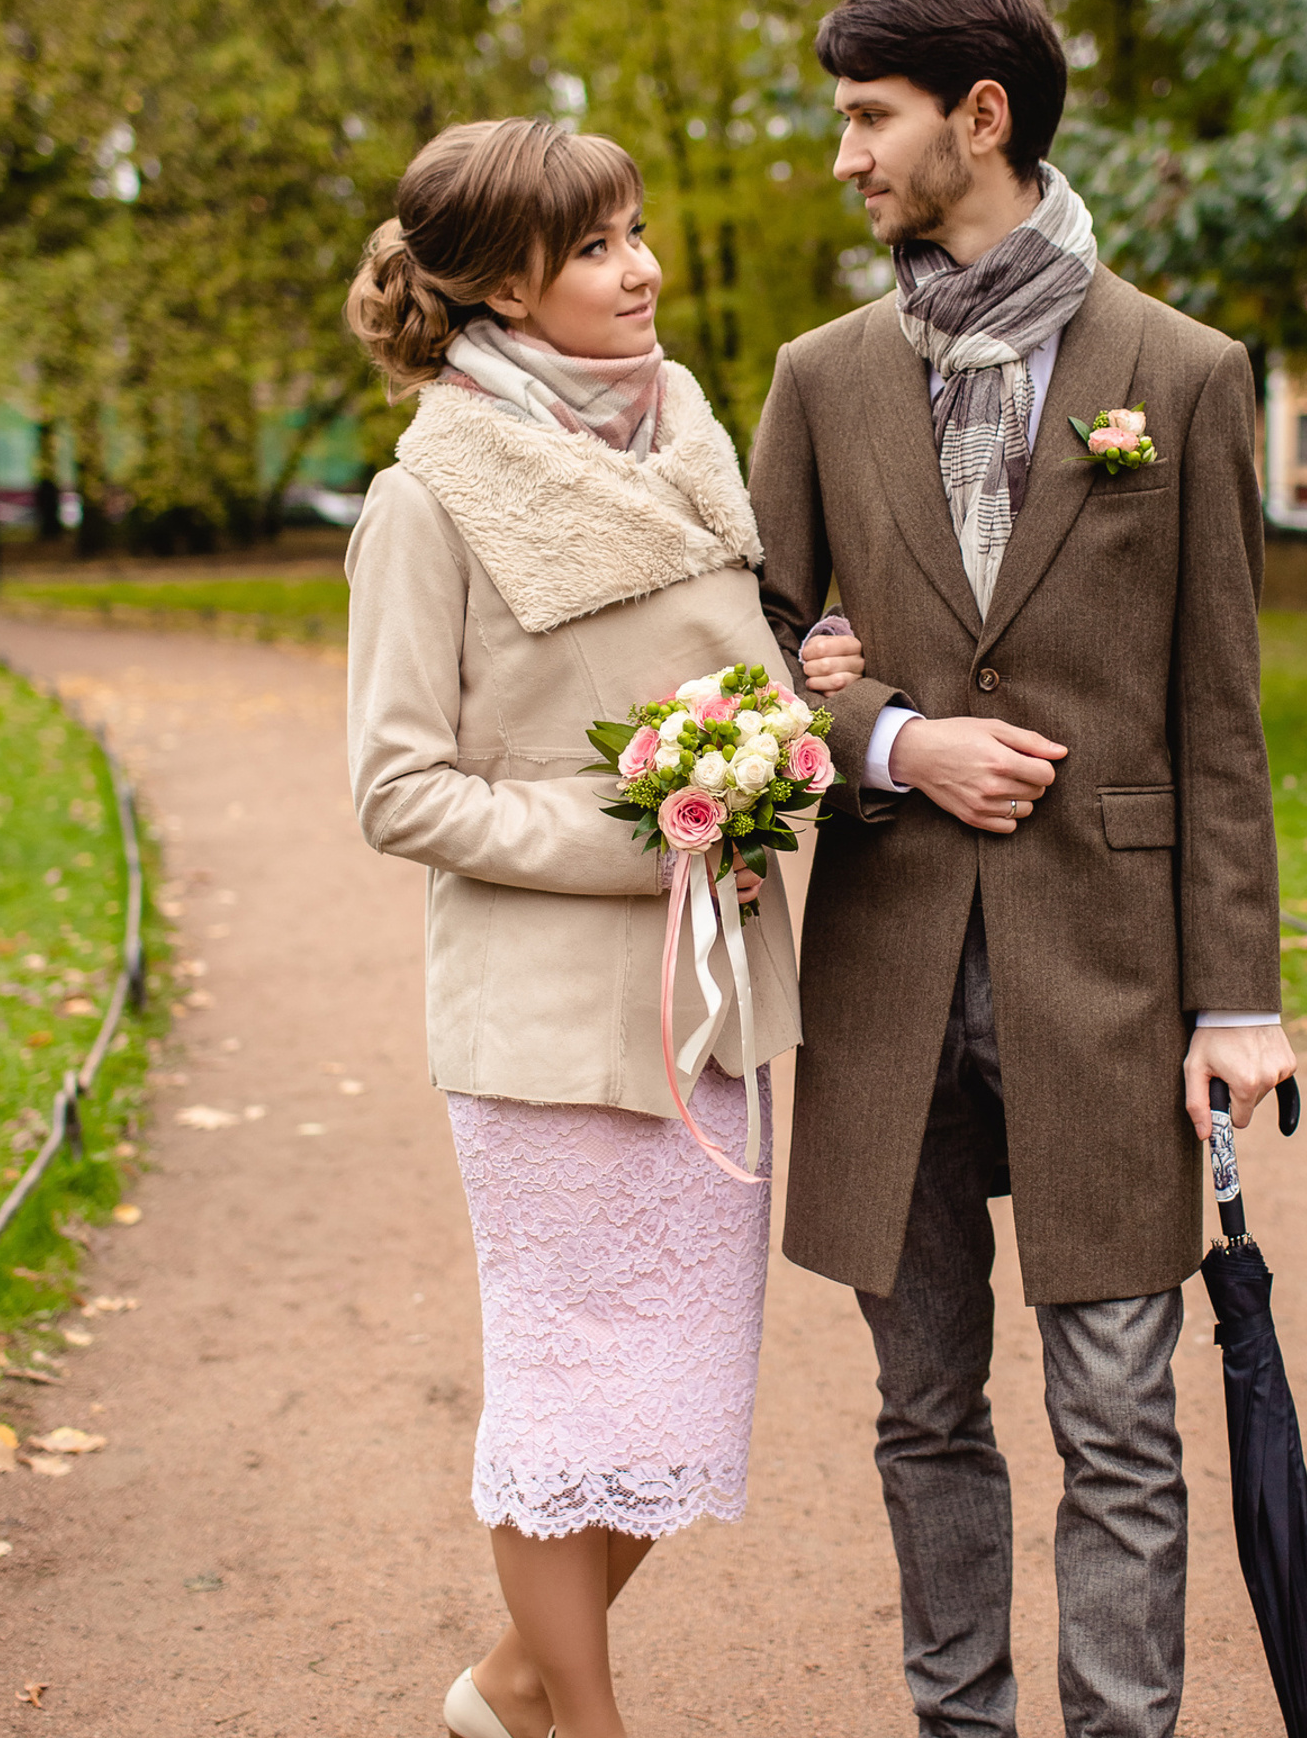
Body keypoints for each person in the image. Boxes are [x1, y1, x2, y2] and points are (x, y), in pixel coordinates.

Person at [749, 0, 1298, 1737]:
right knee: (922, 1411)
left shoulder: (1186, 373)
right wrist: (890, 735)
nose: (846, 157)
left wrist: (1238, 1002)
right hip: (890, 970)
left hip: (1113, 983)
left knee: (1122, 1423)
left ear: (980, 116)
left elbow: (1222, 715)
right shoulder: (819, 378)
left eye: (867, 118)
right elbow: (744, 662)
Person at [342, 118, 845, 1738]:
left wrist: (785, 729)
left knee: (680, 1391)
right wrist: (651, 833)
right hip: (551, 1022)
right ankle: (585, 1719)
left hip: (708, 1007)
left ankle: (509, 1687)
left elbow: (732, 688)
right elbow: (400, 790)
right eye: (599, 248)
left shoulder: (685, 443)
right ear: (502, 284)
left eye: (635, 233)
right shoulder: (432, 498)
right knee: (570, 1396)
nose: (644, 271)